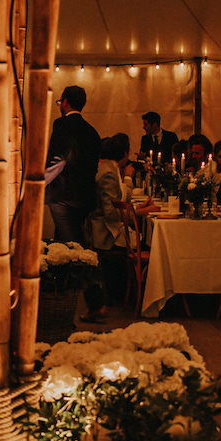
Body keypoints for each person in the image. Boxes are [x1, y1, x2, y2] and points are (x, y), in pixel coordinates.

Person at [85, 132, 142, 314]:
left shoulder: (107, 167)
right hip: (104, 231)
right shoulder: (109, 172)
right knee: (149, 242)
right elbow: (110, 213)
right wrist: (138, 212)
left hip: (103, 226)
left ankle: (125, 292)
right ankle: (137, 295)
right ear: (125, 153)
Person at [45, 85, 101, 244]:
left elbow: (58, 158)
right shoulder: (92, 132)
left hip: (64, 194)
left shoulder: (62, 124)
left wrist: (42, 181)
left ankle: (87, 268)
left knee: (72, 245)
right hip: (85, 195)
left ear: (65, 102)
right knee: (64, 242)